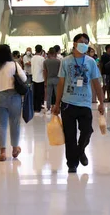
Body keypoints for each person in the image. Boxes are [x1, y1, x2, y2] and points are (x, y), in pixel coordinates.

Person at [52, 33, 105, 173]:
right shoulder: (65, 61)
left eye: (86, 42)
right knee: (69, 135)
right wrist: (57, 104)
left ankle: (80, 150)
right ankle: (72, 163)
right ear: (74, 43)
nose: (84, 44)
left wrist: (101, 102)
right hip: (68, 103)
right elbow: (61, 83)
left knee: (87, 131)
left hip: (85, 103)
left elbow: (96, 83)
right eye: (81, 42)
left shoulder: (91, 62)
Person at [0, 44, 27, 161]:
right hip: (14, 97)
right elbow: (24, 79)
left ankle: (2, 152)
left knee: (1, 125)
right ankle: (15, 149)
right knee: (15, 123)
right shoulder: (14, 64)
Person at [44, 47, 61, 114]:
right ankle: (57, 107)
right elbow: (60, 72)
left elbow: (45, 72)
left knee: (49, 95)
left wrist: (45, 80)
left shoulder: (45, 61)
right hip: (57, 79)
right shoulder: (58, 61)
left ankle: (48, 108)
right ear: (55, 53)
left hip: (49, 79)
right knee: (57, 94)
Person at [31, 44, 46, 114]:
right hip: (40, 78)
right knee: (40, 93)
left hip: (34, 77)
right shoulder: (42, 58)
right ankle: (38, 107)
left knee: (35, 93)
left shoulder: (32, 58)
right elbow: (43, 69)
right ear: (41, 50)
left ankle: (35, 107)